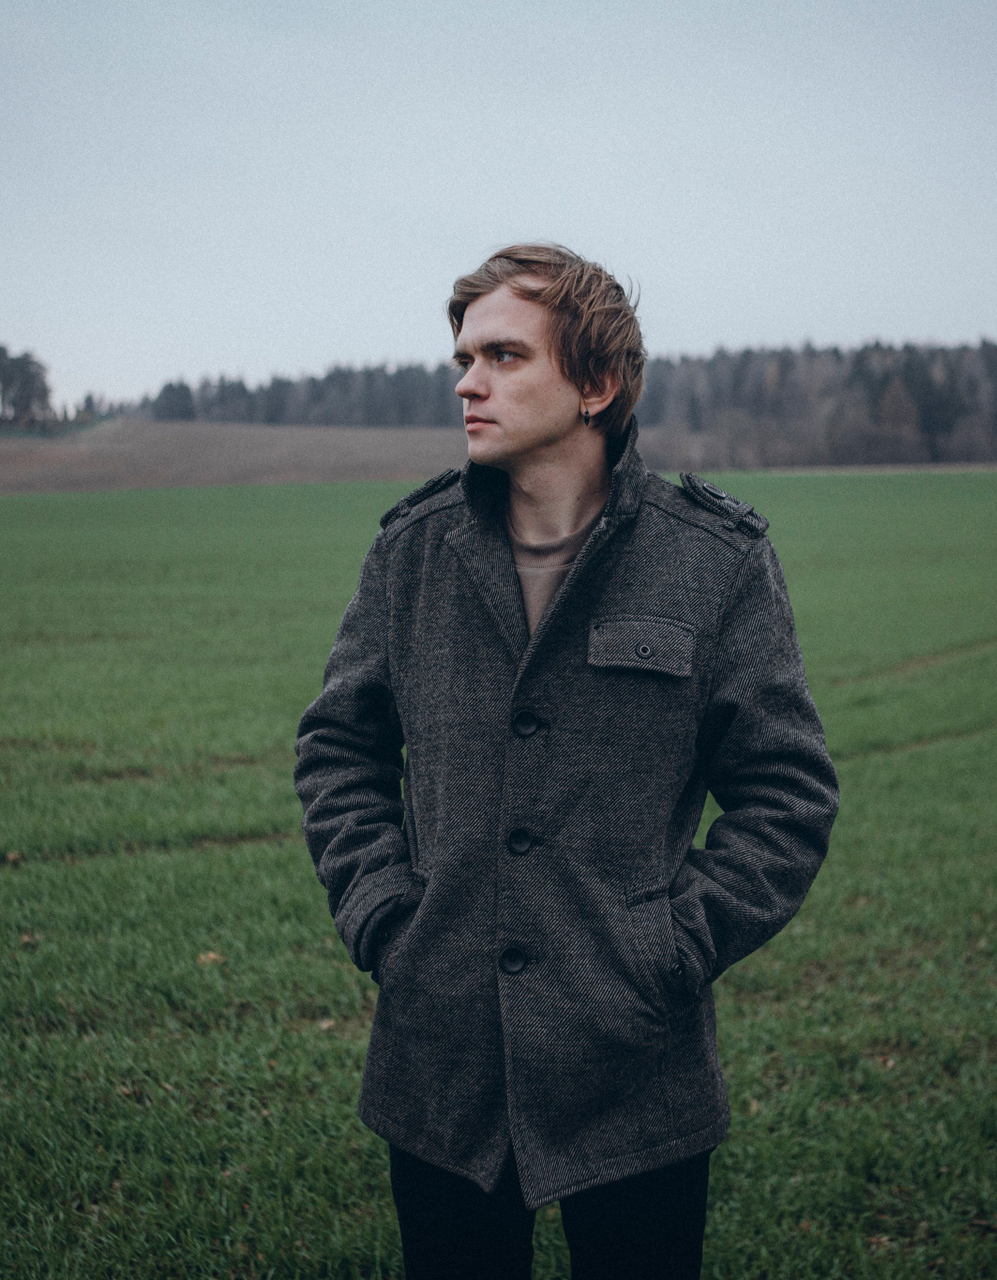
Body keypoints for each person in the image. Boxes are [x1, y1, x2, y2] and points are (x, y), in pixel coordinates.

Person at [294, 244, 839, 1278]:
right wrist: (384, 917)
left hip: (637, 1064)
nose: (468, 382)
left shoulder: (712, 561)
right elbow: (339, 747)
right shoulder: (412, 554)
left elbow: (788, 793)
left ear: (598, 383)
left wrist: (670, 948)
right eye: (464, 358)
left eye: (504, 355)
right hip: (440, 1063)